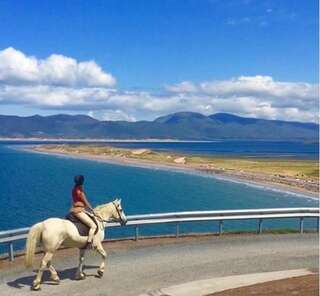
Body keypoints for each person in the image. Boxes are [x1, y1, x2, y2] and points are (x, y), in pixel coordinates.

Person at [70, 175, 97, 247]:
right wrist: (92, 209)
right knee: (93, 226)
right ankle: (88, 243)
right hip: (79, 210)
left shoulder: (74, 189)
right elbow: (86, 202)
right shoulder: (80, 192)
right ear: (82, 182)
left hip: (74, 209)